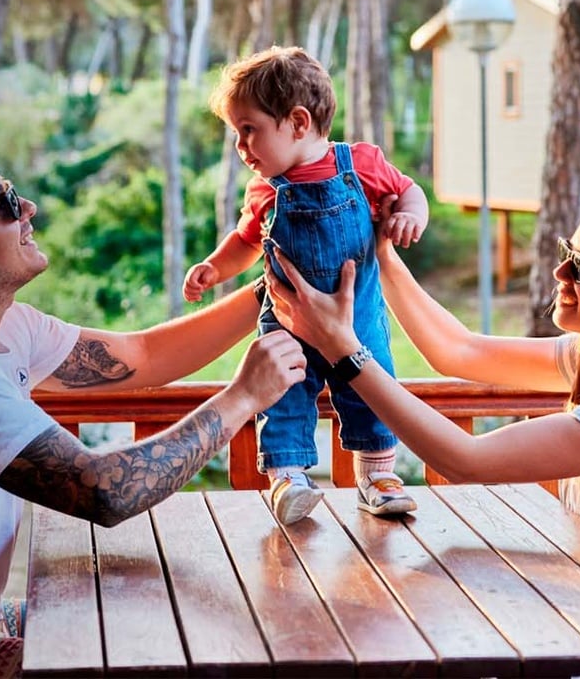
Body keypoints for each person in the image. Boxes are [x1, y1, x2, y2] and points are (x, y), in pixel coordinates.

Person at [0, 129, 308, 679]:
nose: (30, 209)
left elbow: (142, 355)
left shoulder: (2, 326)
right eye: (6, 205)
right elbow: (105, 491)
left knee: (133, 612)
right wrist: (243, 399)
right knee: (125, 658)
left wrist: (279, 282)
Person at [268, 196, 580, 621]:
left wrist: (343, 351)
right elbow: (460, 352)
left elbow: (466, 460)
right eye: (568, 251)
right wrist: (382, 257)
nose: (560, 272)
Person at [183, 46, 429, 523]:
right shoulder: (265, 190)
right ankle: (288, 479)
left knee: (372, 391)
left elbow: (408, 189)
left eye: (248, 130)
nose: (241, 146)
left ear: (297, 122)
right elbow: (245, 240)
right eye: (237, 133)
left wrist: (408, 215)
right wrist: (214, 268)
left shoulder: (360, 164)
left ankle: (377, 477)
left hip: (355, 317)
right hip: (285, 322)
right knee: (282, 395)